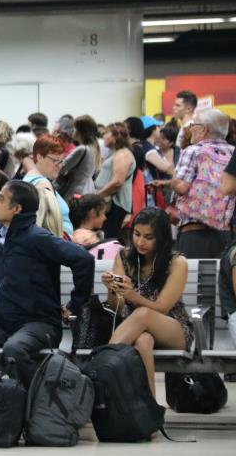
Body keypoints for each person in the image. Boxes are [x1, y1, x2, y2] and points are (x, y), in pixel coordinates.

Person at [0, 180, 94, 400]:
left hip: (39, 325)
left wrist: (75, 304)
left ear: (16, 209)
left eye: (1, 198)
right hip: (3, 325)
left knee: (14, 349)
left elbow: (83, 260)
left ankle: (40, 405)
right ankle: (0, 404)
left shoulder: (37, 238)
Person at [105, 208, 193, 396]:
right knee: (143, 342)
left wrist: (130, 294)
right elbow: (117, 307)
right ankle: (150, 412)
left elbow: (162, 308)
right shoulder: (124, 257)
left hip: (173, 329)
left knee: (143, 314)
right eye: (136, 234)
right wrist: (113, 289)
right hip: (134, 330)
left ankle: (104, 365)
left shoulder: (177, 262)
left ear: (162, 238)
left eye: (148, 237)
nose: (140, 242)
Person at [153, 109, 235, 259]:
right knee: (220, 278)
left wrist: (171, 184)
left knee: (193, 278)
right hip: (226, 231)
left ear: (204, 130)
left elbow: (182, 186)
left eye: (194, 125)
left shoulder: (194, 151)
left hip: (194, 231)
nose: (191, 129)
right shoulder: (232, 152)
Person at [22, 134, 75, 237]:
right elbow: (45, 224)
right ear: (40, 157)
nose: (59, 166)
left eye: (62, 161)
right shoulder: (43, 184)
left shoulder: (30, 177)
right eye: (55, 161)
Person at [94, 123, 136, 240]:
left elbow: (118, 181)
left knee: (109, 238)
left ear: (115, 136)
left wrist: (98, 195)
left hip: (115, 203)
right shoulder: (118, 153)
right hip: (110, 202)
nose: (104, 137)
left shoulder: (122, 154)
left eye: (107, 133)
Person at [56, 115, 99, 201]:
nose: (72, 131)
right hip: (87, 190)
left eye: (74, 129)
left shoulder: (82, 149)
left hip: (76, 191)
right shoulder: (93, 148)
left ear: (81, 132)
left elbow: (60, 167)